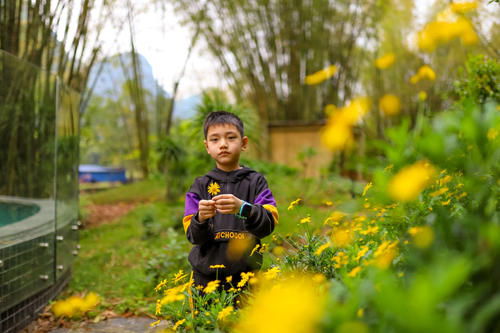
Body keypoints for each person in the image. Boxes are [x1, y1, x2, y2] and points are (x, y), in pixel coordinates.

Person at [182, 110, 278, 289]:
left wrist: (243, 208)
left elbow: (269, 224)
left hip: (247, 277)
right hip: (205, 278)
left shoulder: (256, 182)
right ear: (207, 147)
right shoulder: (200, 186)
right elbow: (193, 236)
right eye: (215, 139)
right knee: (207, 318)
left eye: (231, 137)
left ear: (244, 143)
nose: (223, 144)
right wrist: (200, 218)